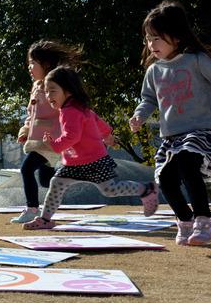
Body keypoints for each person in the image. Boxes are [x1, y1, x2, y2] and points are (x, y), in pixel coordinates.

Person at [129, 0, 211, 246]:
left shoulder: (196, 60)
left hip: (201, 130)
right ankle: (186, 220)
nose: (151, 44)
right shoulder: (154, 71)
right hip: (172, 136)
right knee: (165, 177)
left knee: (188, 164)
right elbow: (147, 99)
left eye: (157, 38)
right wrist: (139, 115)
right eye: (148, 39)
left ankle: (204, 220)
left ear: (176, 37)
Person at [23, 66, 159, 230]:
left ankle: (147, 189)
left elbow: (72, 136)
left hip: (93, 161)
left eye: (52, 91)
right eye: (46, 91)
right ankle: (45, 219)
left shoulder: (69, 111)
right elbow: (97, 122)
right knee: (58, 183)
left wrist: (53, 144)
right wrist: (107, 135)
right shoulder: (79, 108)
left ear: (68, 91)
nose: (48, 95)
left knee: (109, 189)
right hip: (75, 161)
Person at [11, 40, 83, 224]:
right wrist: (25, 130)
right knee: (45, 180)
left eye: (33, 63)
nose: (29, 67)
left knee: (26, 169)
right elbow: (31, 113)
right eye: (29, 63)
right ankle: (68, 180)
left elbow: (65, 111)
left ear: (47, 65)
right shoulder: (35, 87)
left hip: (50, 140)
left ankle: (32, 209)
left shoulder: (54, 87)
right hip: (36, 140)